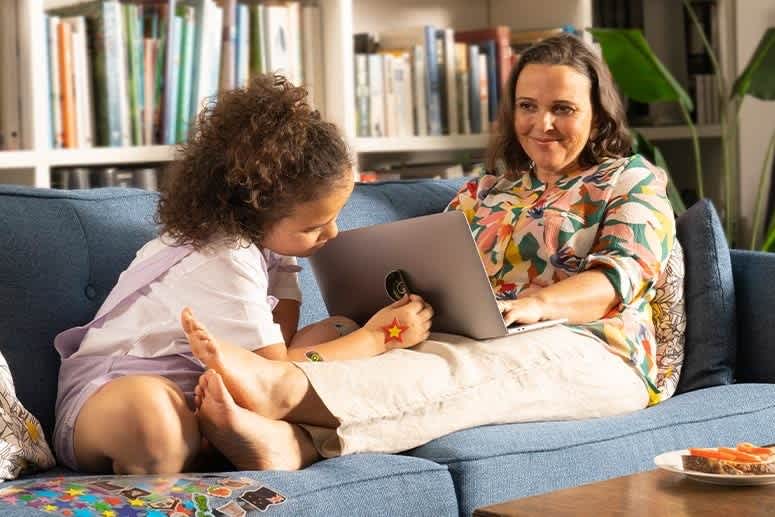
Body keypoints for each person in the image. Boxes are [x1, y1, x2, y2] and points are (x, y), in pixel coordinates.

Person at [177, 32, 677, 471]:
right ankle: (290, 447)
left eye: (562, 109)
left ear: (598, 112)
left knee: (466, 368)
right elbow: (437, 268)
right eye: (527, 106)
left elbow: (622, 276)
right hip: (471, 336)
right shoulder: (483, 192)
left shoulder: (630, 180)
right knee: (376, 340)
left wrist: (537, 304)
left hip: (596, 351)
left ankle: (287, 389)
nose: (541, 123)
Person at [52, 74, 433, 475]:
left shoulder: (272, 248)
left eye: (334, 219)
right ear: (252, 212)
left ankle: (225, 436)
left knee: (337, 329)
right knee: (157, 420)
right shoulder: (224, 255)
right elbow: (273, 372)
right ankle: (227, 439)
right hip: (114, 392)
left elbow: (279, 346)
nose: (332, 234)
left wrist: (343, 325)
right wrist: (378, 337)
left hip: (212, 389)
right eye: (312, 227)